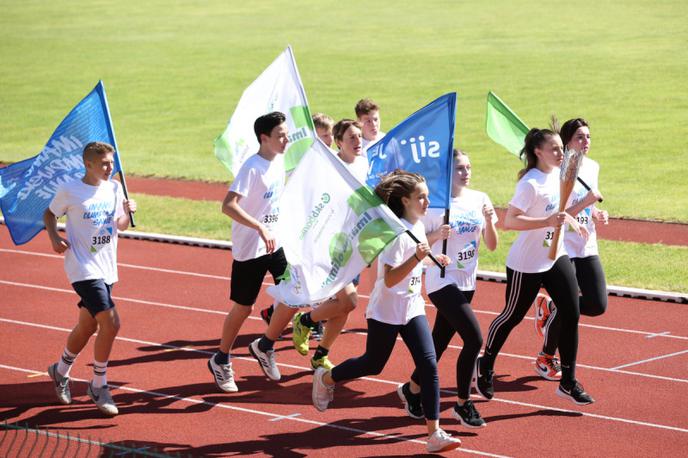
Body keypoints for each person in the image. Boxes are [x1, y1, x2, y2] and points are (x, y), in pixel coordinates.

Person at [311, 170, 462, 453]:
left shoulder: (416, 225)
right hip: (387, 309)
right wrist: (417, 257)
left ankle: (434, 433)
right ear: (405, 200)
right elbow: (391, 280)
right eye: (422, 197)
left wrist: (430, 260)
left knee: (429, 365)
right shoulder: (395, 234)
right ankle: (326, 378)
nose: (428, 202)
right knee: (373, 363)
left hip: (412, 306)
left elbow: (414, 260)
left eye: (427, 196)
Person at [474, 128, 596, 405]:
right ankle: (485, 364)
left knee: (572, 312)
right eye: (553, 149)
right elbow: (511, 221)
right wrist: (547, 222)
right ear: (537, 152)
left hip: (555, 256)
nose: (560, 153)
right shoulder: (530, 184)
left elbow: (562, 211)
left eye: (560, 148)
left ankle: (568, 381)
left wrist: (574, 220)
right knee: (511, 316)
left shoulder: (561, 174)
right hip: (526, 263)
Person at [398, 149, 498, 428]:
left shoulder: (479, 199)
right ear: (447, 172)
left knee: (439, 341)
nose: (466, 173)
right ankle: (463, 404)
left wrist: (489, 221)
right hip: (441, 279)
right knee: (474, 339)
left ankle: (411, 388)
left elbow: (491, 245)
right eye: (459, 169)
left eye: (468, 167)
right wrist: (436, 234)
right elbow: (417, 244)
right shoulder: (436, 205)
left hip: (468, 281)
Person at [45, 141, 136, 416]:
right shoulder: (71, 189)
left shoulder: (115, 188)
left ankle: (60, 370)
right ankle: (99, 384)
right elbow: (49, 213)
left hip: (107, 266)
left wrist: (127, 212)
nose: (110, 168)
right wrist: (53, 237)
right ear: (88, 164)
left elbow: (118, 225)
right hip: (82, 267)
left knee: (87, 327)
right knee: (111, 323)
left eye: (111, 162)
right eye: (104, 163)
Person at [208, 112, 289, 392]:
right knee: (244, 307)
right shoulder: (252, 168)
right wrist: (259, 228)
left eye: (286, 133)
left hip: (275, 243)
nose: (286, 139)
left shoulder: (279, 162)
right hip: (251, 248)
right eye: (280, 135)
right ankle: (221, 358)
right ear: (263, 138)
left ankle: (264, 345)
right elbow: (228, 205)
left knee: (293, 292)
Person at [533, 118, 608, 380]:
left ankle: (550, 310)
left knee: (597, 304)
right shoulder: (559, 171)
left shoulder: (593, 167)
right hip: (564, 246)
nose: (585, 141)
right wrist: (587, 201)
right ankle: (545, 358)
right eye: (579, 137)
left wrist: (596, 212)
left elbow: (587, 205)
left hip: (587, 244)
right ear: (566, 142)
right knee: (570, 310)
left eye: (588, 136)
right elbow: (558, 212)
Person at [291, 119, 367, 370]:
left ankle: (321, 354)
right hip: (331, 246)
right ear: (339, 142)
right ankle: (306, 320)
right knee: (350, 301)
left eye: (359, 136)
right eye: (352, 138)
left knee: (343, 308)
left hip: (354, 245)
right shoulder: (329, 168)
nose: (358, 142)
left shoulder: (365, 164)